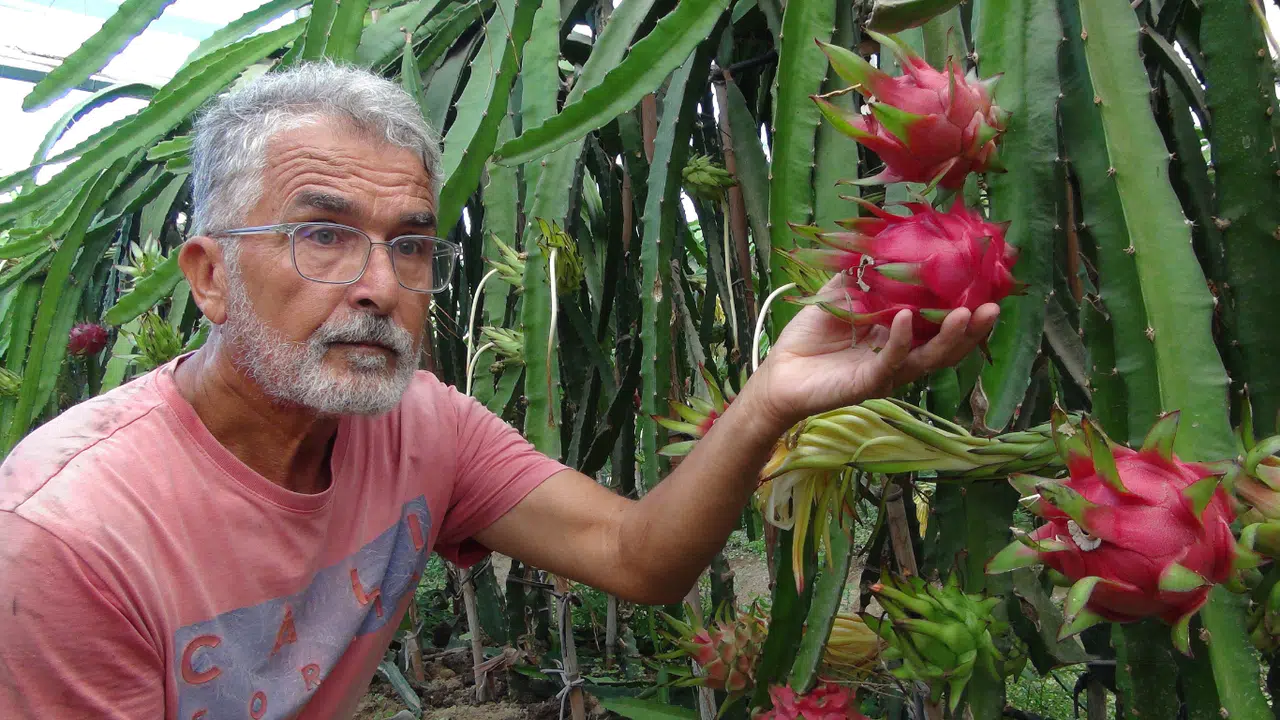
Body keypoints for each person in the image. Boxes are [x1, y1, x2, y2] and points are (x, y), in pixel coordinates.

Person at [0, 62, 999, 719]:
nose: (380, 286)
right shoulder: (65, 534)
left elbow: (635, 557)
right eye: (322, 233)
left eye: (412, 245)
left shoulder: (421, 426)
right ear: (209, 274)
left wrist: (770, 399)